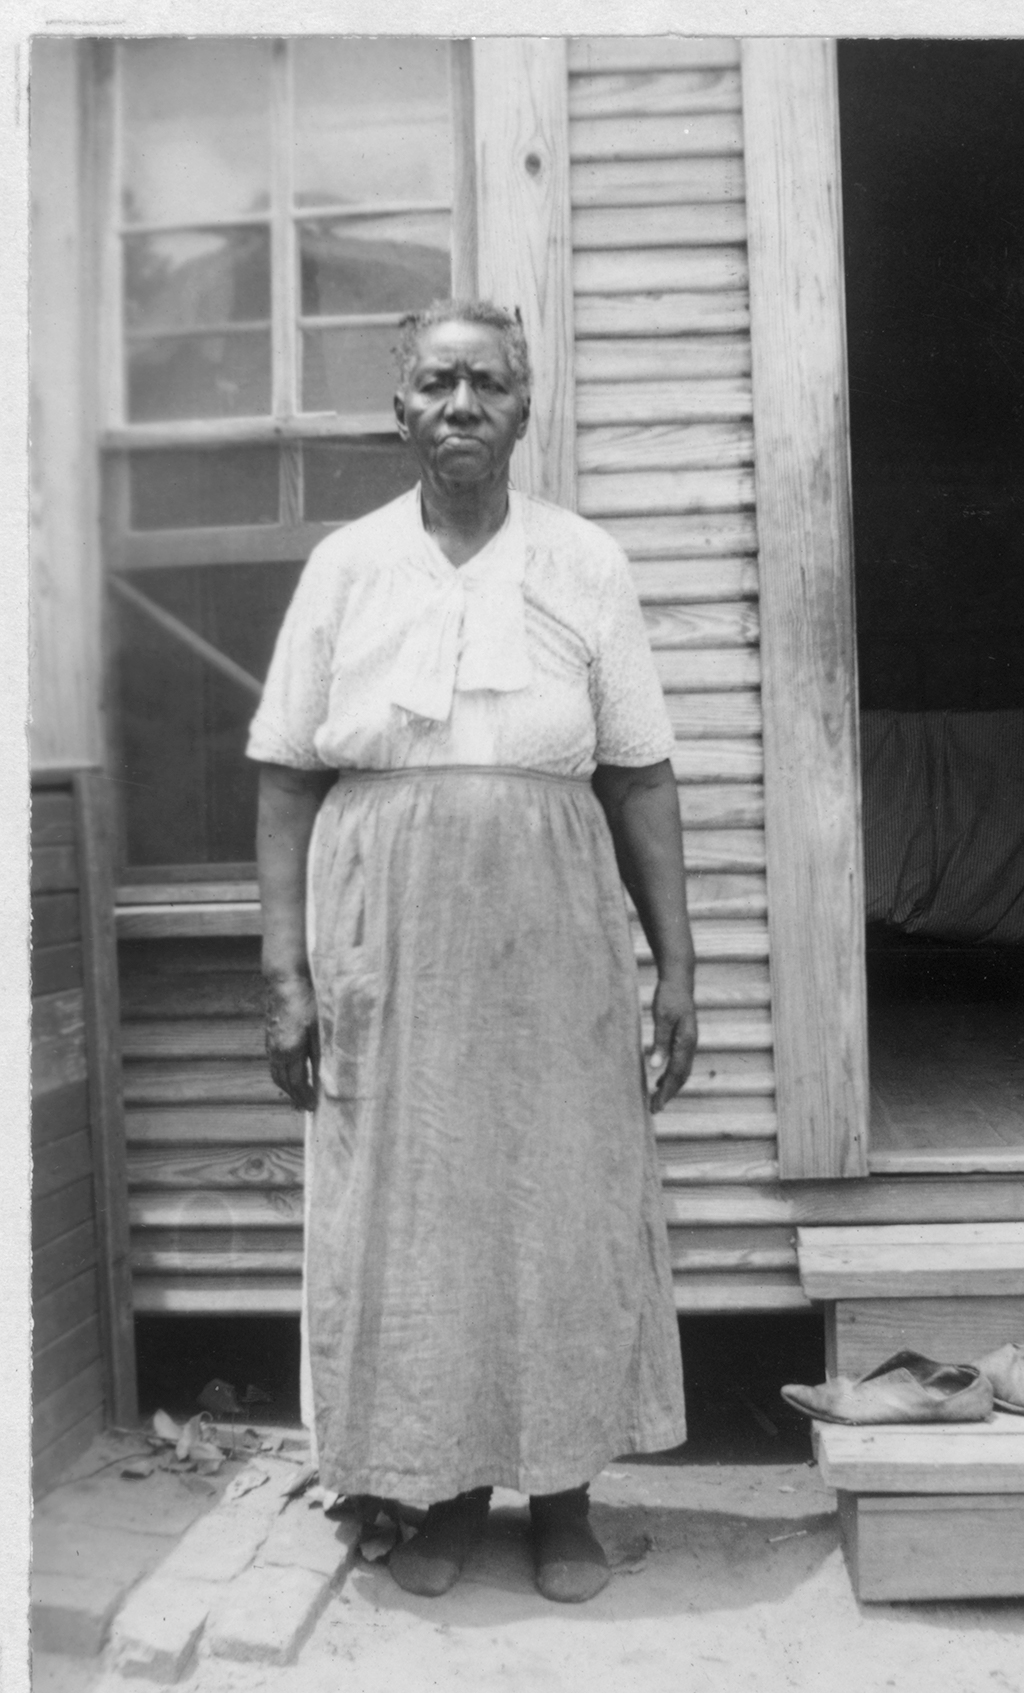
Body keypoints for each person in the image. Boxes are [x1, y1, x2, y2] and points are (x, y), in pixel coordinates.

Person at [247, 298, 696, 1604]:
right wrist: (288, 973)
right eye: (435, 382)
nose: (460, 405)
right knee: (417, 1209)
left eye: (486, 384)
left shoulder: (584, 564)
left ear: (524, 407)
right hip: (387, 923)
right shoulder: (348, 567)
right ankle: (433, 1488)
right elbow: (284, 776)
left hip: (554, 921)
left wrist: (681, 966)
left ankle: (563, 1499)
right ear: (398, 409)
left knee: (565, 1198)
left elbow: (643, 777)